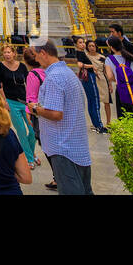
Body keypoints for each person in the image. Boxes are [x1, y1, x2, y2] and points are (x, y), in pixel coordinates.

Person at [29, 40, 92, 194]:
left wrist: (36, 109)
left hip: (63, 147)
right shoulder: (67, 73)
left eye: (36, 55)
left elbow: (56, 114)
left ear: (43, 53)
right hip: (76, 144)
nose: (35, 60)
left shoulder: (53, 78)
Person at [0, 44, 38, 166]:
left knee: (33, 130)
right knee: (22, 131)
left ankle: (30, 153)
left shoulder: (22, 66)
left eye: (9, 52)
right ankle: (29, 159)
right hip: (11, 102)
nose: (7, 54)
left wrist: (31, 100)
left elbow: (28, 83)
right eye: (5, 52)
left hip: (25, 102)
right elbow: (0, 85)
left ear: (14, 54)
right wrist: (4, 101)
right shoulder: (0, 67)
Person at [72, 35, 109, 134]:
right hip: (89, 77)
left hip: (88, 77)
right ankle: (99, 126)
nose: (83, 44)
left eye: (83, 42)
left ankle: (96, 124)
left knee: (91, 101)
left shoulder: (82, 52)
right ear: (76, 45)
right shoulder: (80, 53)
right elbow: (80, 65)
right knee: (95, 100)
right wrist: (92, 66)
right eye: (80, 42)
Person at [83, 38, 114, 128]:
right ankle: (96, 122)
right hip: (91, 79)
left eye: (93, 46)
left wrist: (110, 84)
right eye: (89, 46)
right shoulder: (85, 56)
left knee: (106, 102)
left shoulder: (102, 57)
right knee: (94, 102)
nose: (92, 48)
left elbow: (106, 71)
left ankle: (108, 122)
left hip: (102, 80)